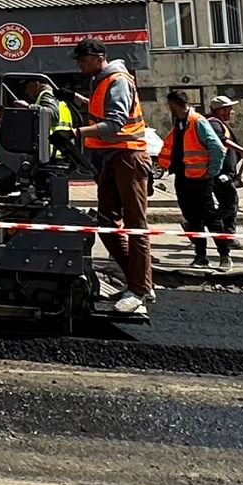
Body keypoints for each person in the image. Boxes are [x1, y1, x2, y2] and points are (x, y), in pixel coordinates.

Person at [74, 38, 152, 319]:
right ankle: (139, 280)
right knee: (107, 222)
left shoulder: (117, 80)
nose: (80, 65)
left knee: (135, 224)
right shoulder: (101, 81)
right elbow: (103, 113)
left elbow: (115, 123)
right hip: (111, 158)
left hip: (128, 157)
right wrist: (77, 101)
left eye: (82, 60)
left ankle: (139, 291)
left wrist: (77, 133)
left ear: (98, 57)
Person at [159, 91, 231, 268]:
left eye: (170, 105)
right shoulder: (180, 123)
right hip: (183, 178)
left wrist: (211, 172)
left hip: (200, 179)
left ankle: (224, 256)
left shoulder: (197, 121)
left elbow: (217, 148)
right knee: (192, 218)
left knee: (210, 217)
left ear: (174, 104)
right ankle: (200, 256)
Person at [207, 96, 243, 266]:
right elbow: (220, 141)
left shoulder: (220, 124)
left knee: (230, 204)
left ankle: (228, 235)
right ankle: (202, 221)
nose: (232, 112)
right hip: (220, 174)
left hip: (226, 174)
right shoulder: (214, 123)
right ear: (221, 110)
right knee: (230, 205)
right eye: (229, 109)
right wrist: (241, 149)